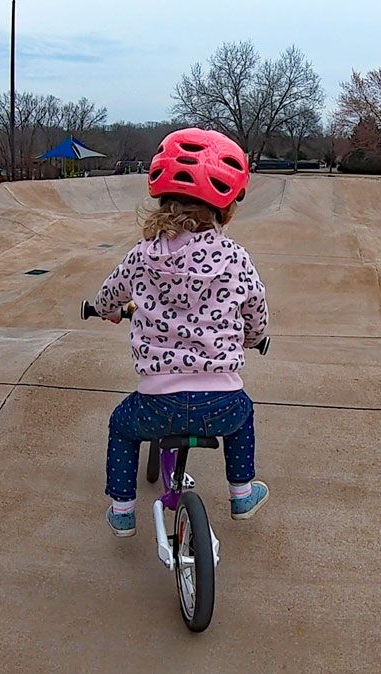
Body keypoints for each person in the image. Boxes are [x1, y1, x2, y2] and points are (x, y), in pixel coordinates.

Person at [92, 127, 270, 537]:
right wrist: (251, 337)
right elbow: (256, 311)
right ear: (224, 207)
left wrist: (110, 311)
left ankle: (122, 511)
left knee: (121, 427)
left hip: (157, 404)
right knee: (244, 418)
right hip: (222, 404)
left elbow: (107, 298)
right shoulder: (236, 259)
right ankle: (241, 494)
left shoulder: (142, 256)